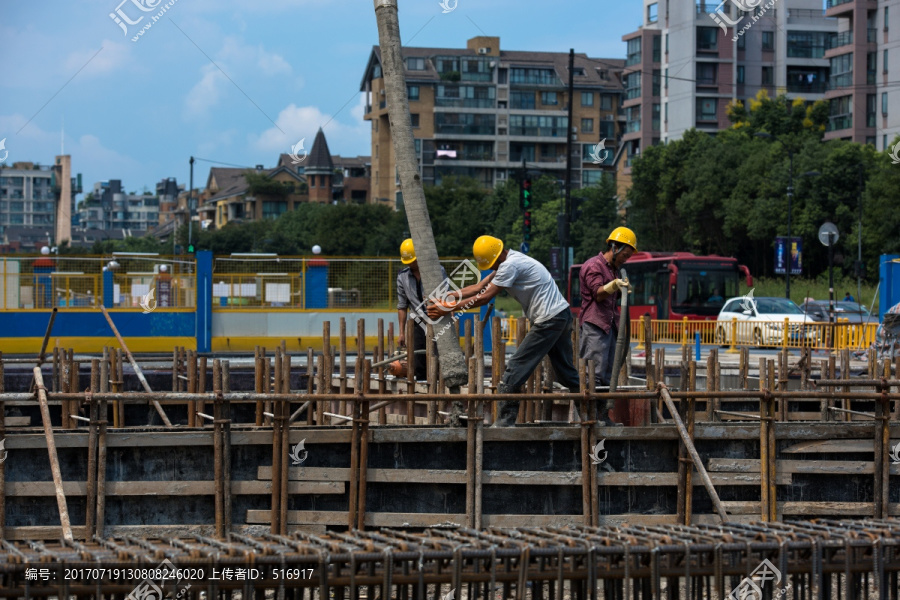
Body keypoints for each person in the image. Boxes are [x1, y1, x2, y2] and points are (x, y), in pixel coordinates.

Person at [427, 235, 582, 427]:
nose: (491, 268)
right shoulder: (510, 260)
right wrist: (448, 296)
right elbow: (478, 287)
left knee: (516, 366)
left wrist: (448, 308)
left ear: (499, 256)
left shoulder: (510, 266)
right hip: (561, 315)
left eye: (492, 264)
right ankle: (596, 415)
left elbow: (485, 297)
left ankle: (505, 422)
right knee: (566, 374)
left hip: (549, 319)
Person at [578, 227, 637, 425]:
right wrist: (614, 285)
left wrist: (622, 288)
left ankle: (602, 415)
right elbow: (598, 293)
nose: (625, 260)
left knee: (608, 375)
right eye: (625, 255)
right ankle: (590, 416)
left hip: (610, 326)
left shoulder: (614, 270)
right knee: (593, 374)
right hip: (595, 326)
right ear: (614, 247)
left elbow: (613, 296)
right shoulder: (593, 266)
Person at [394, 238, 446, 380]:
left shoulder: (437, 271)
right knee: (419, 361)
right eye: (408, 261)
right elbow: (402, 306)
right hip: (417, 323)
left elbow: (447, 297)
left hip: (437, 320)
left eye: (413, 260)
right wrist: (401, 332)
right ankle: (423, 391)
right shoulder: (402, 276)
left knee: (438, 359)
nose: (411, 264)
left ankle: (439, 390)